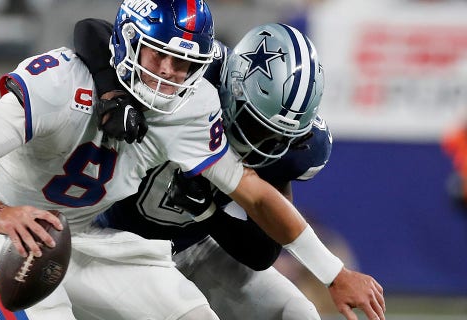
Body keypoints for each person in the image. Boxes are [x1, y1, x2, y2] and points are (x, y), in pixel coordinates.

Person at [0, 2, 383, 320]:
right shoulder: (62, 82)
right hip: (2, 234)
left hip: (95, 239)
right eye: (160, 55)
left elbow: (257, 198)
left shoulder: (190, 105)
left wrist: (333, 273)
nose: (169, 73)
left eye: (183, 63)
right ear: (128, 42)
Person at [73, 18, 385, 320]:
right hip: (117, 241)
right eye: (254, 124)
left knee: (297, 314)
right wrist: (112, 94)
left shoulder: (289, 149)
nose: (261, 145)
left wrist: (208, 213)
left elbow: (263, 250)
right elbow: (95, 31)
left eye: (279, 137)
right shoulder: (188, 72)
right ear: (231, 89)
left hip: (192, 246)